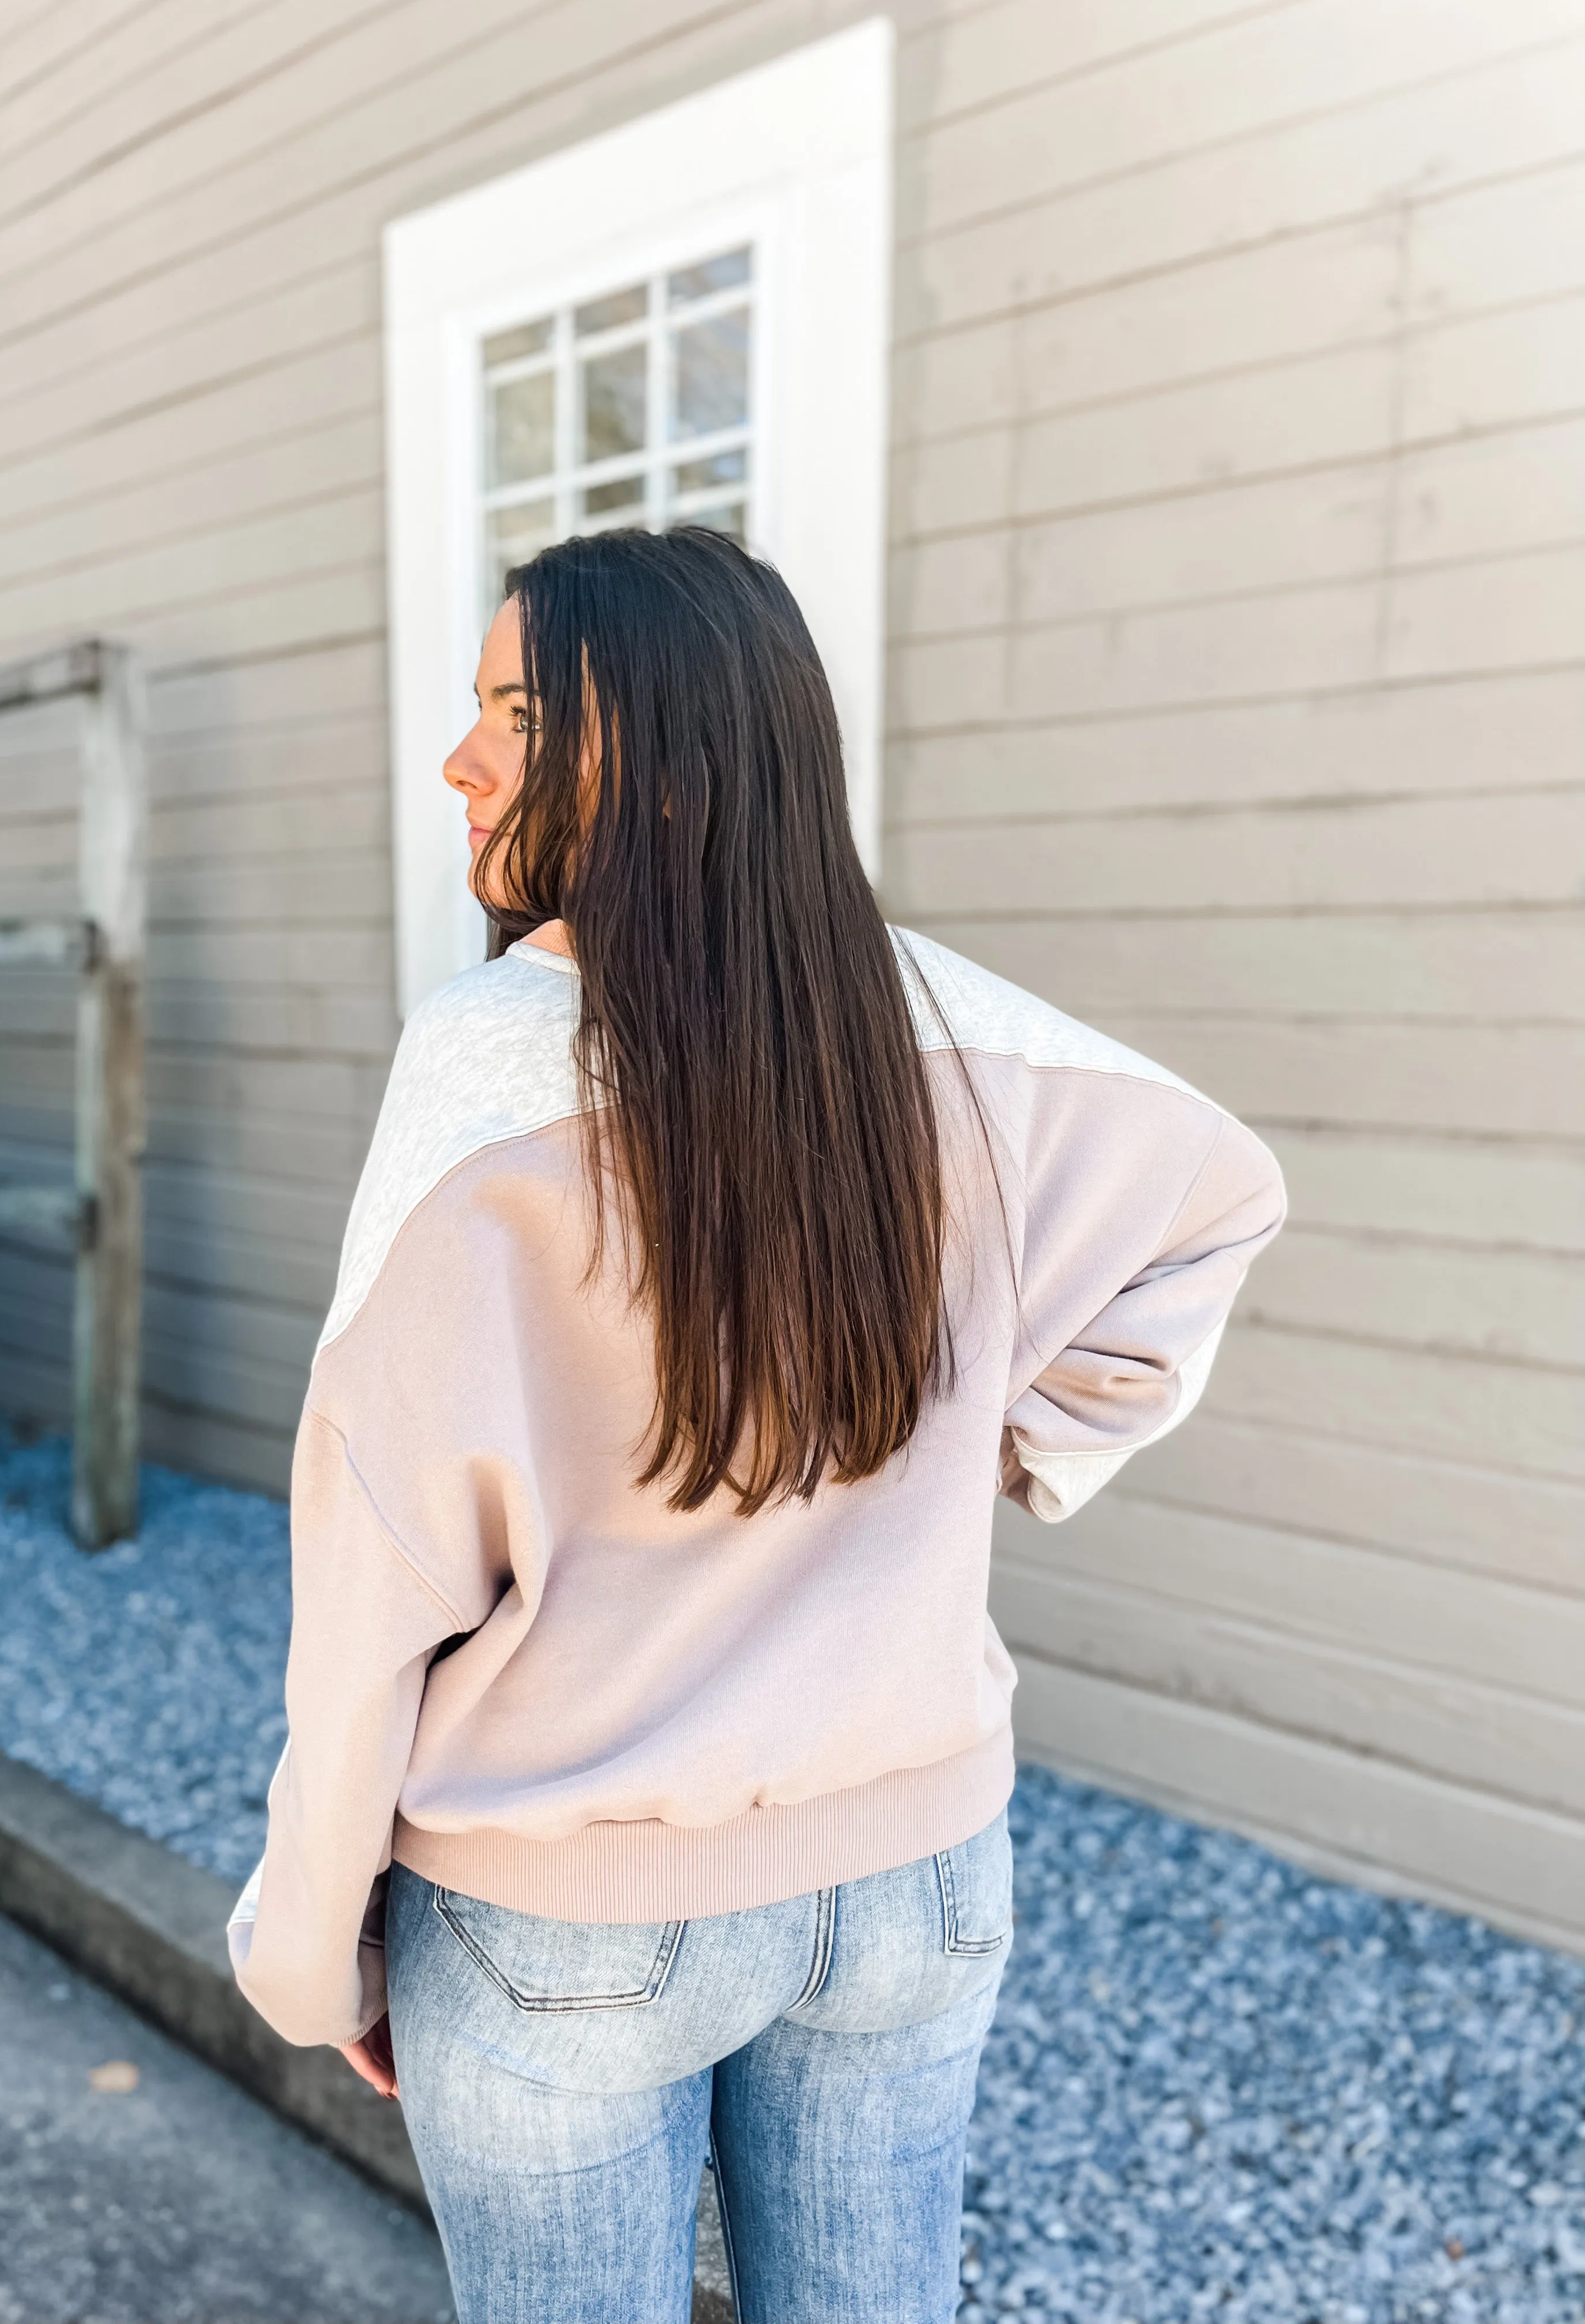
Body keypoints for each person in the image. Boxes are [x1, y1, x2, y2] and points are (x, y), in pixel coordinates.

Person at [228, 527, 1285, 2322]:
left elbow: (374, 1568)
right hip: (917, 1880)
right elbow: (1217, 1193)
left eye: (510, 712)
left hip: (566, 1915)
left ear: (641, 746)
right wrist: (1012, 1440)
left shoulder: (489, 1064)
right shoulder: (949, 1023)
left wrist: (312, 1945)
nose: (461, 762)